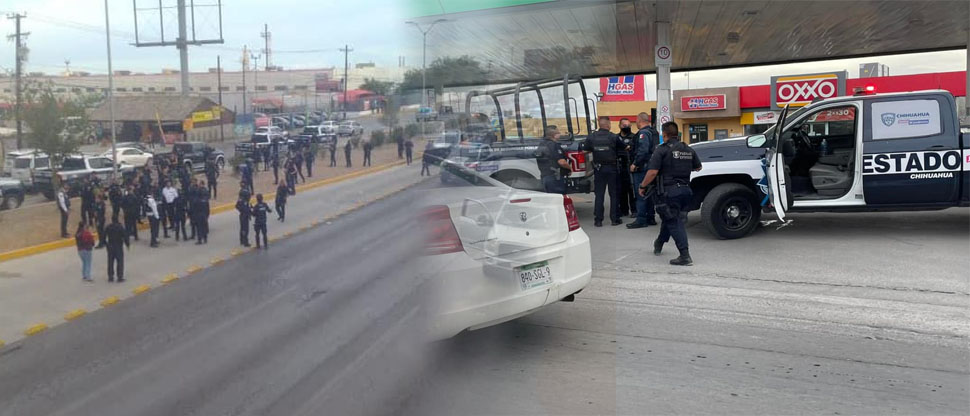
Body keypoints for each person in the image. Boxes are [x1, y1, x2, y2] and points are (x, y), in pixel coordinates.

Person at [638, 122, 703, 266]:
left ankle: (685, 255)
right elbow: (698, 167)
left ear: (664, 134)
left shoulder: (661, 150)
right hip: (686, 191)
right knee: (670, 218)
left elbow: (653, 172)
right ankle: (659, 243)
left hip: (669, 192)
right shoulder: (688, 149)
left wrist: (643, 185)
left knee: (674, 221)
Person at [583, 115, 629, 227]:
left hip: (598, 168)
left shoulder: (591, 137)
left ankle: (598, 220)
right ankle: (615, 219)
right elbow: (626, 147)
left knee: (599, 195)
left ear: (600, 125)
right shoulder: (613, 137)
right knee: (614, 194)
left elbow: (585, 150)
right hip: (612, 168)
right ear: (608, 125)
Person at [628, 112, 660, 229]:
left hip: (642, 168)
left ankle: (641, 219)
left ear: (639, 120)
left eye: (636, 121)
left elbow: (643, 150)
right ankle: (650, 218)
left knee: (640, 192)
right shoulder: (653, 132)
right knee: (649, 193)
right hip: (651, 166)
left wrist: (635, 164)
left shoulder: (643, 133)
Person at [535, 125, 572, 194]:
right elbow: (562, 162)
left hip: (544, 177)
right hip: (555, 177)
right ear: (554, 135)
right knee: (558, 199)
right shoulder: (554, 145)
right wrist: (569, 168)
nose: (560, 134)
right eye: (558, 132)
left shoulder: (542, 144)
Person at [616, 118, 637, 217]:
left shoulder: (634, 137)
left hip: (630, 165)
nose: (627, 127)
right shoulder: (615, 138)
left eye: (629, 125)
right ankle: (624, 210)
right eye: (625, 125)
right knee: (621, 189)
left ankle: (634, 210)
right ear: (620, 126)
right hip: (619, 166)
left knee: (631, 189)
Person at [104, 217, 129, 282]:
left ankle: (110, 276)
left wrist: (106, 244)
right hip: (118, 246)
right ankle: (120, 277)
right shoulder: (120, 227)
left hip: (110, 246)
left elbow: (103, 236)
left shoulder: (108, 227)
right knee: (120, 262)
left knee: (110, 262)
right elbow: (125, 236)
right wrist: (127, 244)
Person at [194, 180, 210, 244]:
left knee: (199, 227)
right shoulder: (206, 195)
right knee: (204, 226)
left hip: (199, 213)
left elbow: (195, 204)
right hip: (204, 213)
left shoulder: (198, 198)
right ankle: (205, 238)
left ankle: (200, 239)